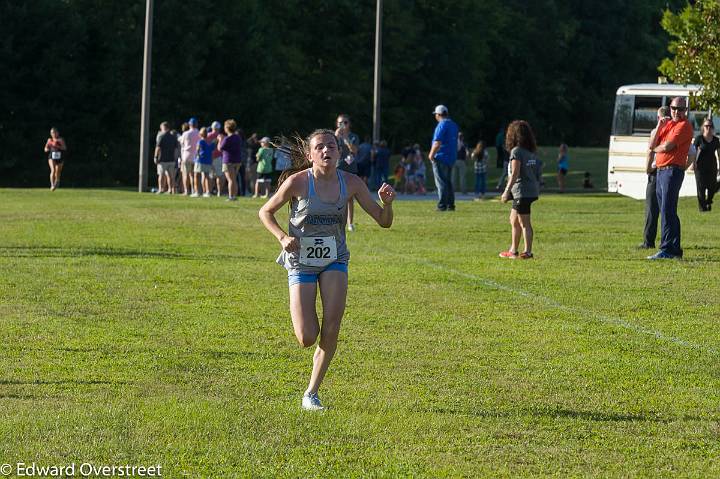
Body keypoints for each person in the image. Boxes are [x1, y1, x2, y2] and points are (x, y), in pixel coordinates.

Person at [258, 129, 395, 411]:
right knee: (307, 336)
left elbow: (384, 221)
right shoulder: (297, 182)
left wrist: (388, 203)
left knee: (332, 327)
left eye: (331, 146)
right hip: (301, 261)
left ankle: (312, 393)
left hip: (335, 259)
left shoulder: (352, 183)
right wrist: (283, 238)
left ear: (338, 152)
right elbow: (265, 212)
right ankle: (310, 324)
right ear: (310, 155)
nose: (326, 151)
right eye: (319, 147)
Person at [647, 97, 695, 260]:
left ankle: (667, 249)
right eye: (674, 108)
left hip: (672, 171)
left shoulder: (684, 126)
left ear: (685, 111)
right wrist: (660, 125)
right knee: (667, 210)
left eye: (681, 109)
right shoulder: (667, 125)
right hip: (661, 171)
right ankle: (674, 249)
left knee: (667, 210)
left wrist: (655, 148)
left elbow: (668, 146)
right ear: (670, 108)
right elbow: (652, 143)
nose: (677, 112)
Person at [499, 120, 542, 259]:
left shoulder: (516, 151)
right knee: (513, 220)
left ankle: (527, 252)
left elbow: (515, 172)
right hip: (529, 190)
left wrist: (506, 191)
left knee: (524, 223)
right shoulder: (530, 152)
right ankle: (513, 250)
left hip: (522, 192)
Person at [639, 106, 670, 249]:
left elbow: (650, 151)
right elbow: (692, 153)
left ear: (659, 118)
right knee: (666, 208)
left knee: (652, 208)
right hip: (669, 172)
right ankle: (666, 240)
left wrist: (648, 168)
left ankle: (648, 242)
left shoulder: (656, 132)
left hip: (656, 171)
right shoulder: (676, 131)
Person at [428, 105, 459, 211]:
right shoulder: (453, 125)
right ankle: (451, 204)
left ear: (438, 114)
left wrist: (431, 155)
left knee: (441, 182)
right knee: (448, 182)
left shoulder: (442, 125)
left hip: (440, 157)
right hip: (451, 157)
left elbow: (437, 142)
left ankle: (442, 205)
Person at [335, 114, 360, 231]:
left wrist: (345, 138)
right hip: (338, 167)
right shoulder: (334, 136)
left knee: (349, 197)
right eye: (340, 123)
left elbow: (354, 150)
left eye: (345, 123)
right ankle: (336, 221)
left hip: (350, 169)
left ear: (349, 124)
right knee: (335, 196)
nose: (343, 125)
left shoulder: (353, 136)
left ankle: (350, 223)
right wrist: (336, 137)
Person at [693, 118, 720, 211]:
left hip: (712, 166)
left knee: (712, 187)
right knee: (701, 187)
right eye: (706, 126)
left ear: (712, 128)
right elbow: (693, 152)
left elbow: (719, 154)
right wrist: (693, 163)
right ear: (703, 127)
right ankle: (702, 208)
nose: (708, 128)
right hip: (699, 167)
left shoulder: (716, 140)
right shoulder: (699, 139)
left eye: (710, 126)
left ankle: (709, 201)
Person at [219, 119, 243, 201]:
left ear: (227, 128)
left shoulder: (227, 138)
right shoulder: (238, 137)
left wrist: (220, 140)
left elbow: (220, 148)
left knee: (230, 180)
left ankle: (231, 196)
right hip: (237, 161)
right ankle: (234, 196)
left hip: (228, 161)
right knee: (234, 179)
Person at [154, 122, 178, 194]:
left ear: (164, 127)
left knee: (161, 175)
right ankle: (170, 189)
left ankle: (161, 189)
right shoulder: (173, 137)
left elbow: (158, 147)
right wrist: (175, 158)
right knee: (171, 176)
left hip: (162, 159)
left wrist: (155, 157)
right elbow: (176, 149)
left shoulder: (161, 136)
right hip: (171, 159)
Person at [179, 119, 200, 195]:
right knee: (193, 175)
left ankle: (186, 191)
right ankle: (193, 190)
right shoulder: (199, 133)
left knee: (186, 174)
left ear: (189, 125)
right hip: (196, 156)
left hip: (186, 156)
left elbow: (182, 143)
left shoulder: (186, 133)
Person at [194, 127, 214, 197]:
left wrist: (196, 157)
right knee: (206, 176)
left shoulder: (200, 141)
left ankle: (197, 192)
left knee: (197, 175)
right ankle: (208, 192)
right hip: (208, 161)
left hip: (200, 160)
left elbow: (197, 150)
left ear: (200, 134)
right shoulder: (210, 142)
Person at [208, 121, 226, 197]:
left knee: (210, 176)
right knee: (219, 176)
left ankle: (210, 191)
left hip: (209, 157)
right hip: (218, 157)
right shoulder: (221, 136)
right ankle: (219, 192)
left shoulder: (208, 135)